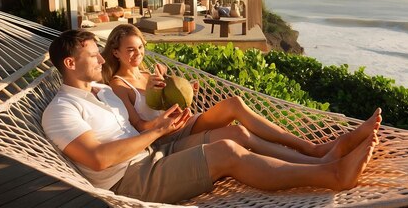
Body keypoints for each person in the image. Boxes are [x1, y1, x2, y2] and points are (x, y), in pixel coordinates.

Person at [42, 29, 380, 204]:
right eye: (93, 56)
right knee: (228, 153)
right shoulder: (61, 110)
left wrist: (167, 107)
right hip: (129, 179)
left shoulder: (101, 92)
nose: (101, 61)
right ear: (70, 64)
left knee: (233, 135)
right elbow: (99, 160)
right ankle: (332, 174)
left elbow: (136, 125)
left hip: (151, 153)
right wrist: (157, 130)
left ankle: (320, 155)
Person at [102, 24, 382, 163]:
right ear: (116, 52)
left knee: (234, 102)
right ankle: (316, 159)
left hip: (185, 122)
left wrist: (185, 92)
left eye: (140, 48)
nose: (138, 54)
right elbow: (140, 128)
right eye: (130, 50)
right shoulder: (119, 86)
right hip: (166, 138)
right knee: (240, 134)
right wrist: (161, 113)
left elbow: (168, 101)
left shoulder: (153, 71)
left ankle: (313, 149)